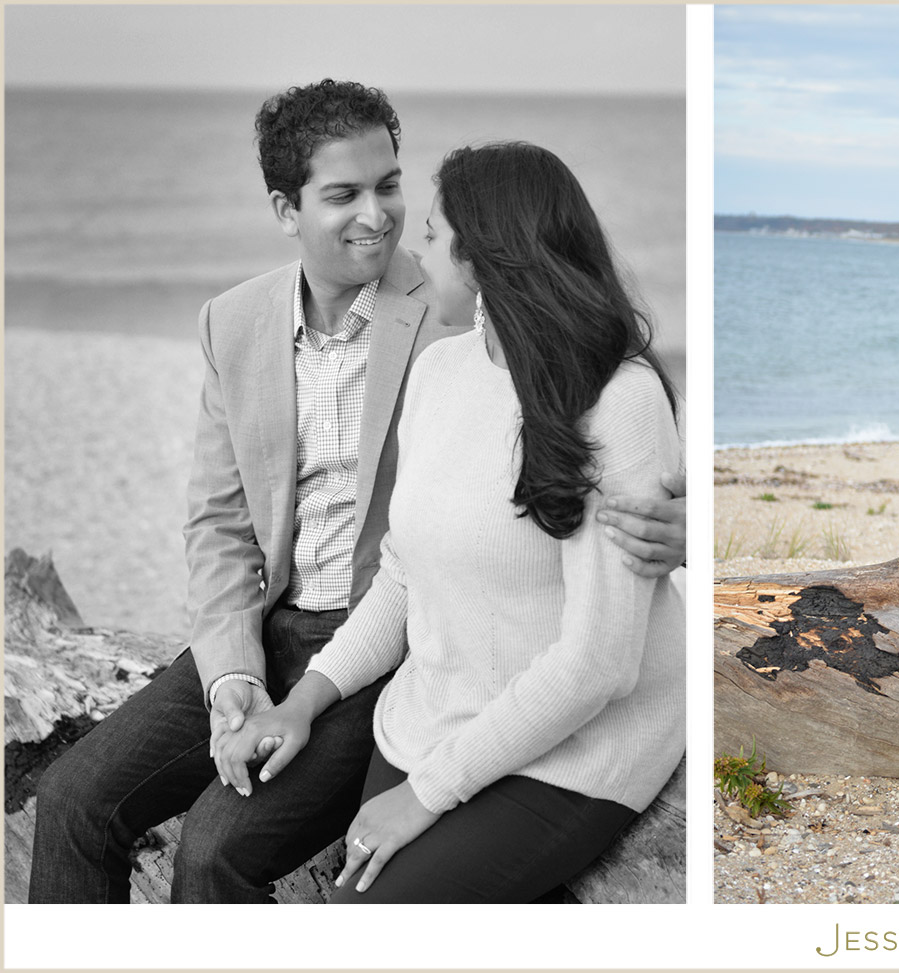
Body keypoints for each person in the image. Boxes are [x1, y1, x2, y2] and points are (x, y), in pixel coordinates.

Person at [28, 80, 684, 904]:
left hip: (397, 645)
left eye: (391, 187)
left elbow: (601, 453)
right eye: (343, 194)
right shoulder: (234, 324)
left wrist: (686, 523)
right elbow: (221, 524)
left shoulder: (458, 316)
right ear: (285, 207)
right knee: (74, 796)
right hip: (278, 633)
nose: (380, 218)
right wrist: (237, 678)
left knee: (215, 846)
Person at [213, 140, 684, 903]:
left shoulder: (620, 399)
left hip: (577, 750)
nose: (412, 247)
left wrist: (426, 793)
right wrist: (303, 701)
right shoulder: (441, 370)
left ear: (485, 258)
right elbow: (404, 574)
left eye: (433, 235)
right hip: (428, 718)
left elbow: (600, 662)